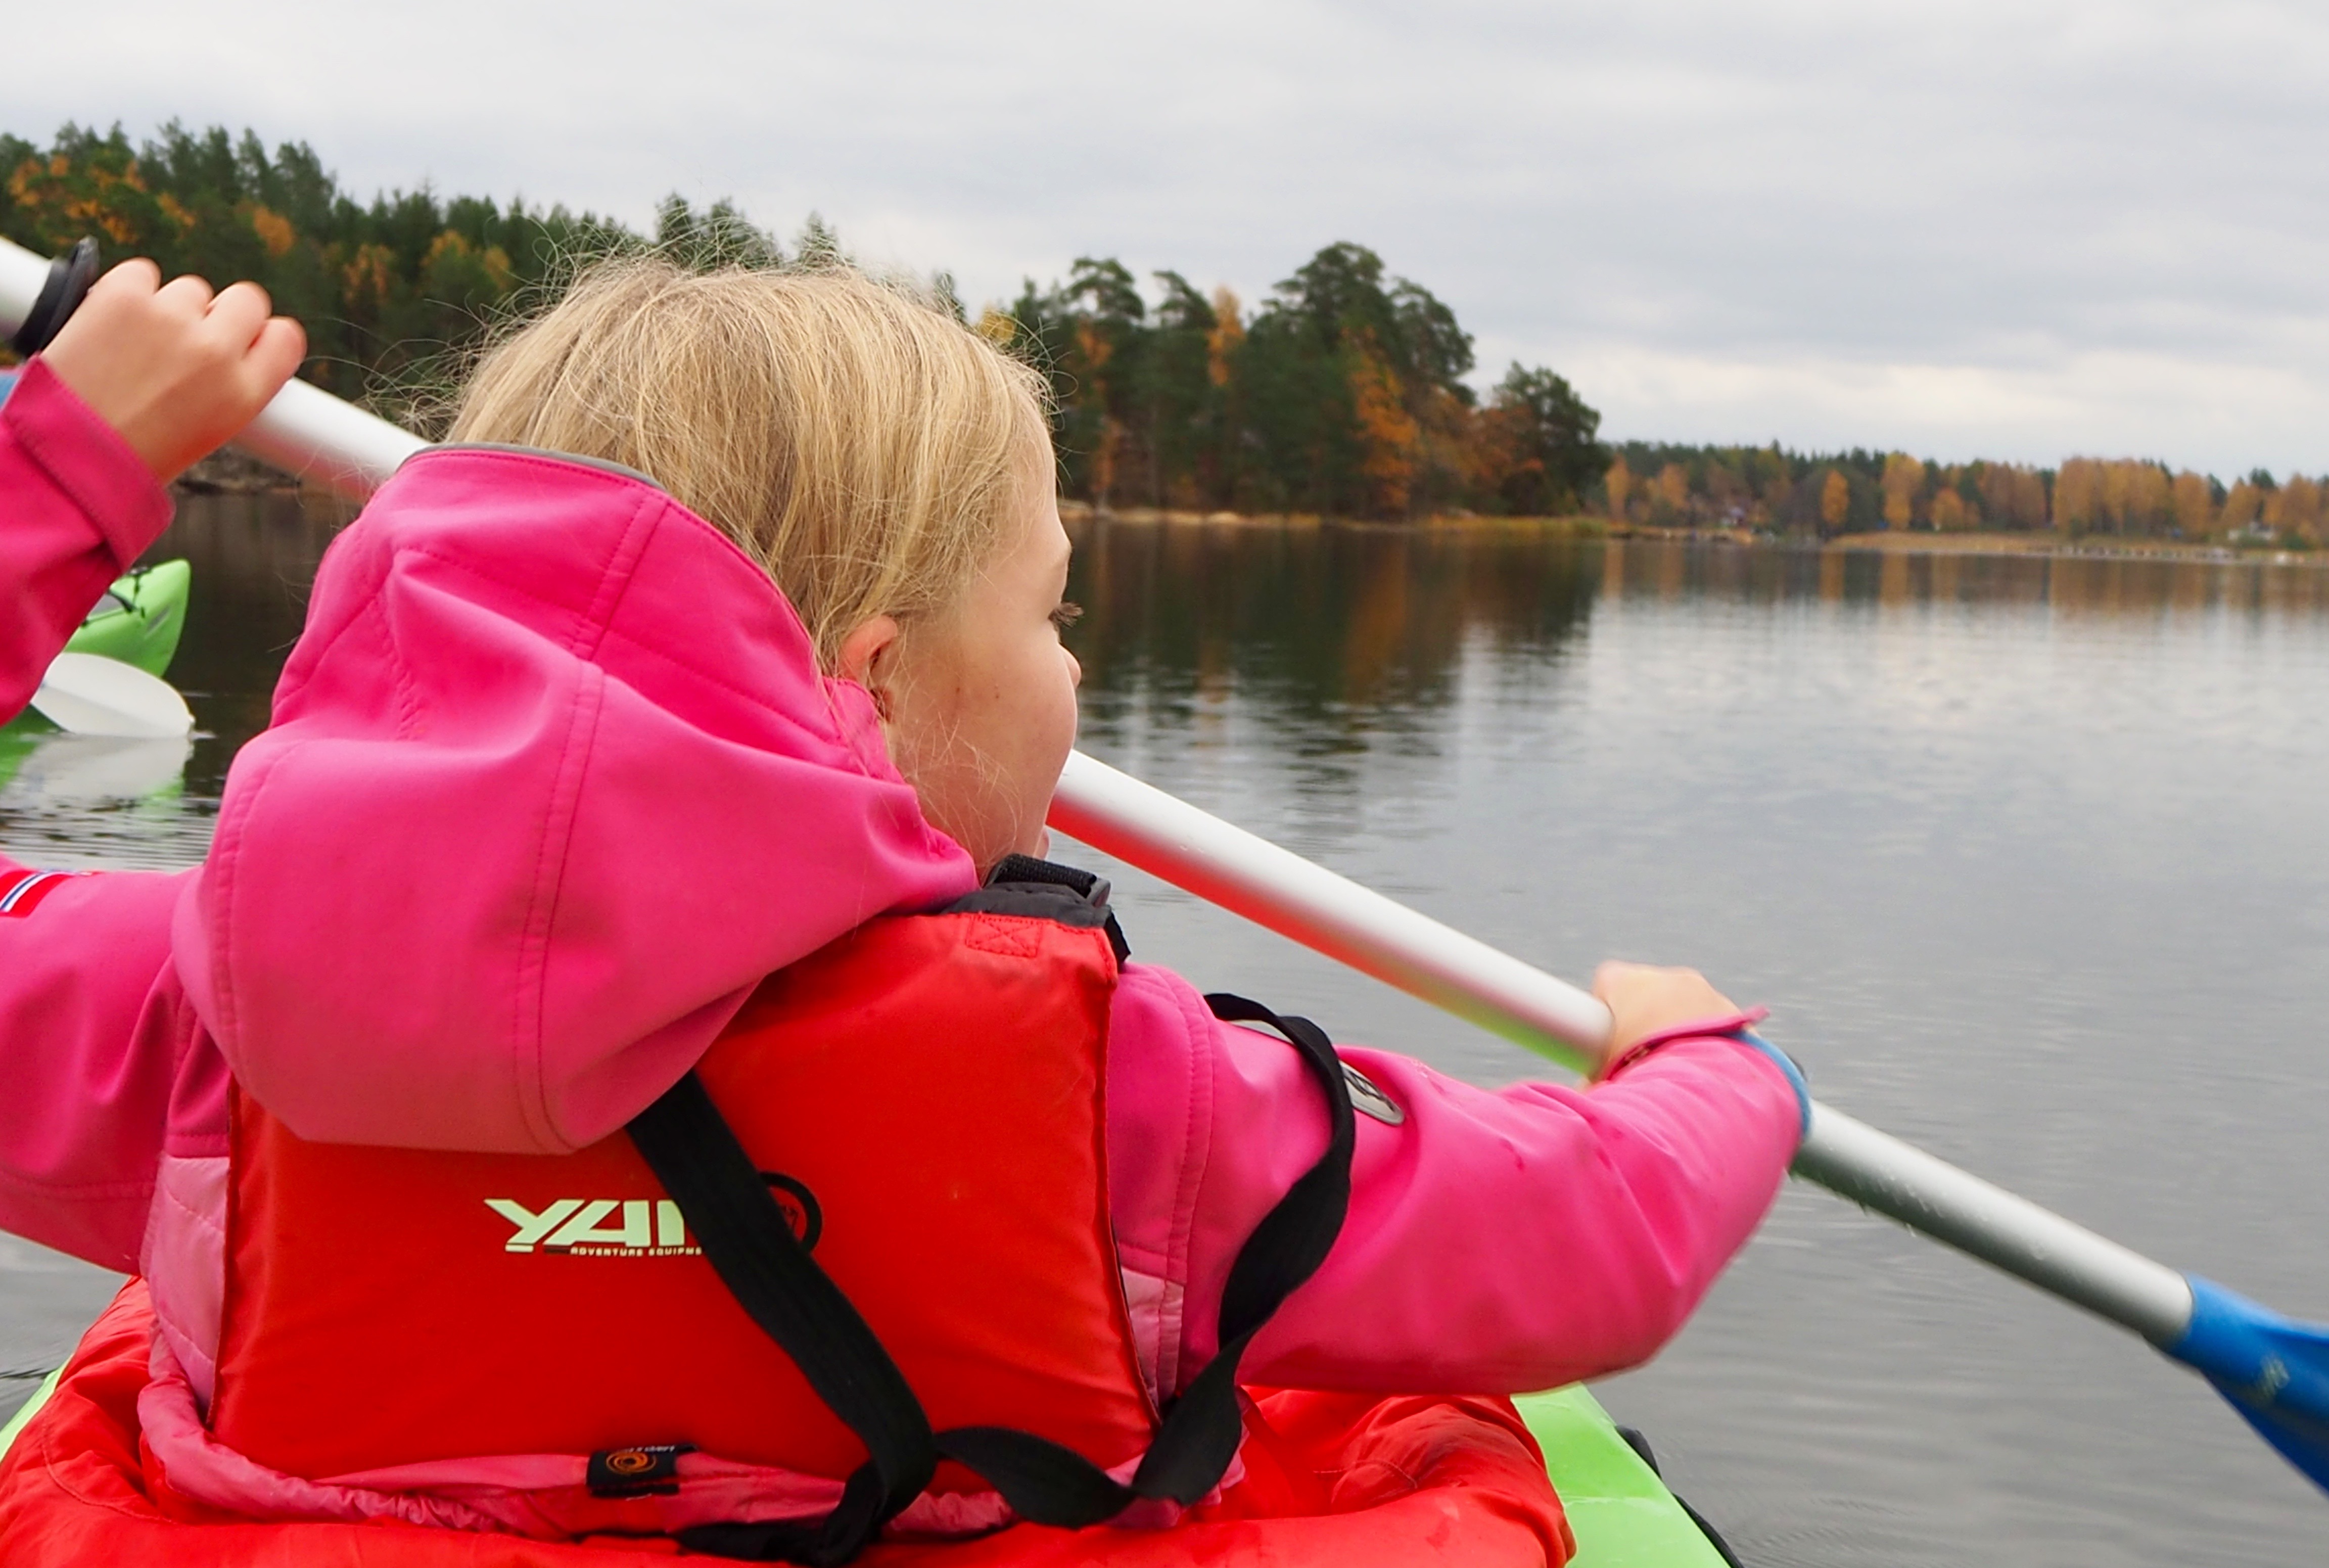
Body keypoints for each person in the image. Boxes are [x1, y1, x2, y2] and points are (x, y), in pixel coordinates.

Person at [0, 254, 1805, 1566]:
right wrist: (1714, 1067)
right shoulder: (1124, 1104)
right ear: (871, 682)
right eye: (1054, 611)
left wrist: (64, 468)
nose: (1077, 667)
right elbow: (1599, 1236)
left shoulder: (198, 1019)